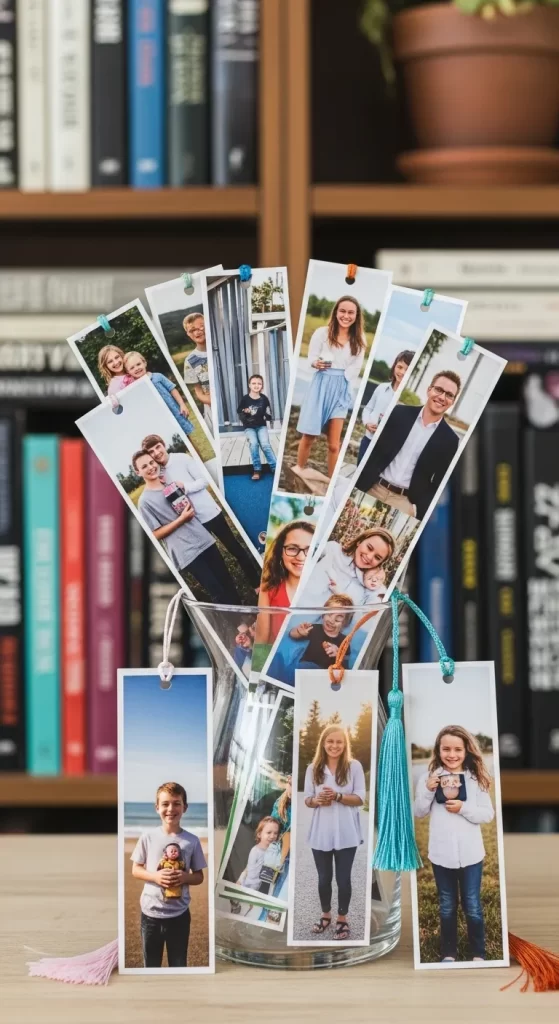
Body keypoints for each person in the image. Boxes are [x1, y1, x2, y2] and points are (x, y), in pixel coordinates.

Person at [414, 725, 495, 963]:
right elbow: (418, 812)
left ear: (466, 750)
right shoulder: (428, 779)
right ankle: (448, 952)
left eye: (457, 749)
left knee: (472, 904)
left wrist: (464, 809)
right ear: (438, 750)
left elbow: (487, 814)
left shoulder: (475, 778)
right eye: (446, 749)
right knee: (447, 905)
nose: (452, 754)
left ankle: (478, 953)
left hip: (471, 855)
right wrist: (428, 791)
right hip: (441, 855)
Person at [142, 433, 260, 590]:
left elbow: (204, 481)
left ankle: (256, 584)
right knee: (217, 559)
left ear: (163, 445)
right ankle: (230, 588)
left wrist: (185, 486)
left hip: (209, 513)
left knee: (234, 548)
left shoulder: (182, 458)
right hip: (193, 523)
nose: (156, 453)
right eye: (151, 452)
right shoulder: (159, 473)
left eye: (158, 447)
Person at [134, 449, 242, 604]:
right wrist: (181, 520)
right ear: (138, 472)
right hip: (185, 552)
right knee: (216, 590)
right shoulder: (144, 502)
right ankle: (240, 627)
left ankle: (246, 618)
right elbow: (155, 534)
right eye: (144, 466)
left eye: (151, 462)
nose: (150, 467)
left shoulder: (170, 485)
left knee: (227, 581)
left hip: (203, 539)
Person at [356, 371, 462, 521]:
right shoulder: (398, 413)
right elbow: (373, 448)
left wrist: (418, 508)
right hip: (373, 488)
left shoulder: (450, 440)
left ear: (453, 401)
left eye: (449, 395)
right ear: (429, 389)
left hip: (405, 503)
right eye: (439, 390)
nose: (442, 397)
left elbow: (439, 483)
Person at [130, 781, 206, 968]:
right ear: (157, 808)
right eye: (165, 804)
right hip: (150, 914)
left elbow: (198, 876)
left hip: (179, 915)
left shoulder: (192, 841)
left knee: (178, 963)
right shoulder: (147, 837)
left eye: (176, 803)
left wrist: (184, 877)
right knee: (151, 964)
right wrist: (155, 877)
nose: (170, 808)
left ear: (185, 807)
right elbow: (136, 869)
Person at [294, 296, 367, 480]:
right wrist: (315, 363)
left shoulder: (359, 339)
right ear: (336, 312)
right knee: (309, 436)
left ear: (356, 316)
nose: (346, 315)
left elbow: (357, 367)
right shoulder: (322, 333)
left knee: (334, 444)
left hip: (341, 389)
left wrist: (343, 378)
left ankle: (331, 481)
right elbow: (311, 357)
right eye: (342, 311)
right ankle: (299, 469)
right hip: (320, 385)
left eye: (351, 312)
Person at [304, 725, 366, 941]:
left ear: (345, 744)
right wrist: (317, 800)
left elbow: (360, 798)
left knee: (344, 880)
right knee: (323, 879)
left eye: (339, 742)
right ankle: (325, 915)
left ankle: (342, 918)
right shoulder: (313, 768)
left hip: (347, 833)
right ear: (323, 743)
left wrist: (338, 797)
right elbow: (307, 799)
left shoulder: (354, 766)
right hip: (320, 832)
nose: (334, 746)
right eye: (330, 741)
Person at [303, 529, 395, 615]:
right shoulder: (333, 550)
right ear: (360, 541)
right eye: (369, 548)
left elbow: (368, 615)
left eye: (377, 557)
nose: (370, 557)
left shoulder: (373, 586)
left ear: (380, 563)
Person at [256, 521, 315, 645]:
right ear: (280, 552)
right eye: (292, 548)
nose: (301, 557)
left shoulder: (327, 591)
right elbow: (262, 641)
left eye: (309, 550)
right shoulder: (268, 589)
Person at [358, 350, 414, 463]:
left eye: (407, 370)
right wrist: (367, 423)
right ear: (394, 367)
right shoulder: (381, 388)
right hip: (367, 441)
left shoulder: (407, 400)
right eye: (400, 367)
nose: (402, 372)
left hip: (385, 449)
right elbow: (368, 408)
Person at [122, 350, 194, 436]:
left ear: (144, 363)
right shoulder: (136, 388)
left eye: (138, 364)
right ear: (128, 372)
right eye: (132, 368)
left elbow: (172, 389)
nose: (137, 368)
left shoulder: (157, 376)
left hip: (175, 412)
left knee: (187, 438)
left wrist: (182, 404)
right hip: (159, 419)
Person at [289, 594, 354, 671]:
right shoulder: (314, 628)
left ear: (345, 623)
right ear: (323, 614)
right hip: (305, 668)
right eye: (329, 615)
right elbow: (292, 634)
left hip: (326, 674)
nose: (331, 621)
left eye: (337, 619)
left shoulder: (345, 641)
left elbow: (345, 667)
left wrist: (338, 655)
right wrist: (299, 631)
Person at [237, 374, 277, 481]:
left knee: (265, 444)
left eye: (259, 383)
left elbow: (268, 413)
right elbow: (239, 411)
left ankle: (275, 468)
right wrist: (245, 412)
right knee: (253, 444)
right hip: (249, 427)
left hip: (261, 426)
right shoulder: (245, 399)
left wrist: (267, 415)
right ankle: (257, 469)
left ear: (262, 386)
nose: (256, 385)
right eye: (254, 383)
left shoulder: (264, 399)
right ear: (249, 385)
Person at [182, 312, 213, 431]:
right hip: (211, 408)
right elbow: (198, 392)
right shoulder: (189, 361)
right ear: (188, 334)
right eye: (192, 330)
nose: (197, 332)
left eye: (201, 326)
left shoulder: (220, 348)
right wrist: (211, 401)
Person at [236, 817, 282, 894]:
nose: (272, 836)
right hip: (250, 886)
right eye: (269, 832)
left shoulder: (274, 851)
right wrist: (240, 881)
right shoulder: (255, 851)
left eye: (275, 833)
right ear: (259, 834)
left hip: (264, 888)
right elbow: (248, 868)